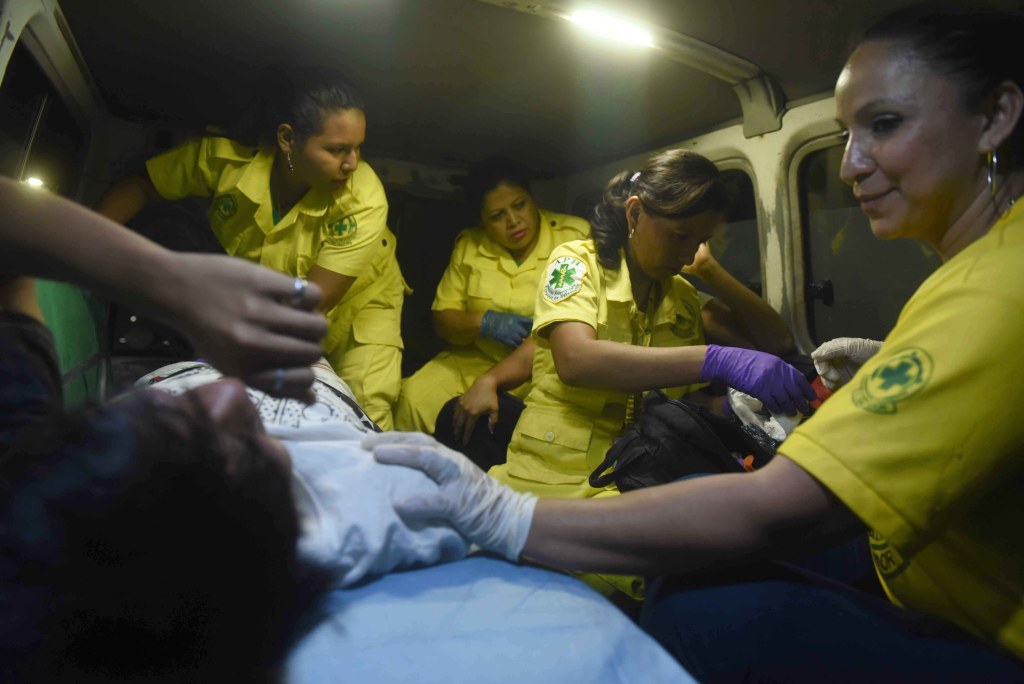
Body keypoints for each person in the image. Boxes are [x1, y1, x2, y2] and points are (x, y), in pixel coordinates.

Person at [365, 5, 1024, 680]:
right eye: (679, 236)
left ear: (996, 117)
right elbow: (572, 358)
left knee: (679, 593)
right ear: (635, 215)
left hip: (627, 470)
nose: (850, 166)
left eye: (884, 124)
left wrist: (712, 274)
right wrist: (716, 359)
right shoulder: (578, 262)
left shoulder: (685, 295)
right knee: (665, 596)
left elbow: (776, 340)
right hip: (552, 470)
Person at [95, 66, 407, 429]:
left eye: (357, 148)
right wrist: (83, 249)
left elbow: (313, 302)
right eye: (337, 150)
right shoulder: (228, 159)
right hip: (279, 306)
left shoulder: (364, 199)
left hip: (360, 306)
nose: (352, 163)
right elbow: (143, 186)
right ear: (288, 139)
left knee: (364, 410)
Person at [393, 158, 590, 445]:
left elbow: (576, 322)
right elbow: (443, 318)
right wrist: (484, 322)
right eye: (497, 216)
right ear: (482, 222)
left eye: (519, 205)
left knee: (517, 428)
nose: (513, 221)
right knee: (413, 399)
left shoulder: (573, 238)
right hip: (476, 359)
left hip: (541, 368)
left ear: (533, 200)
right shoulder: (470, 245)